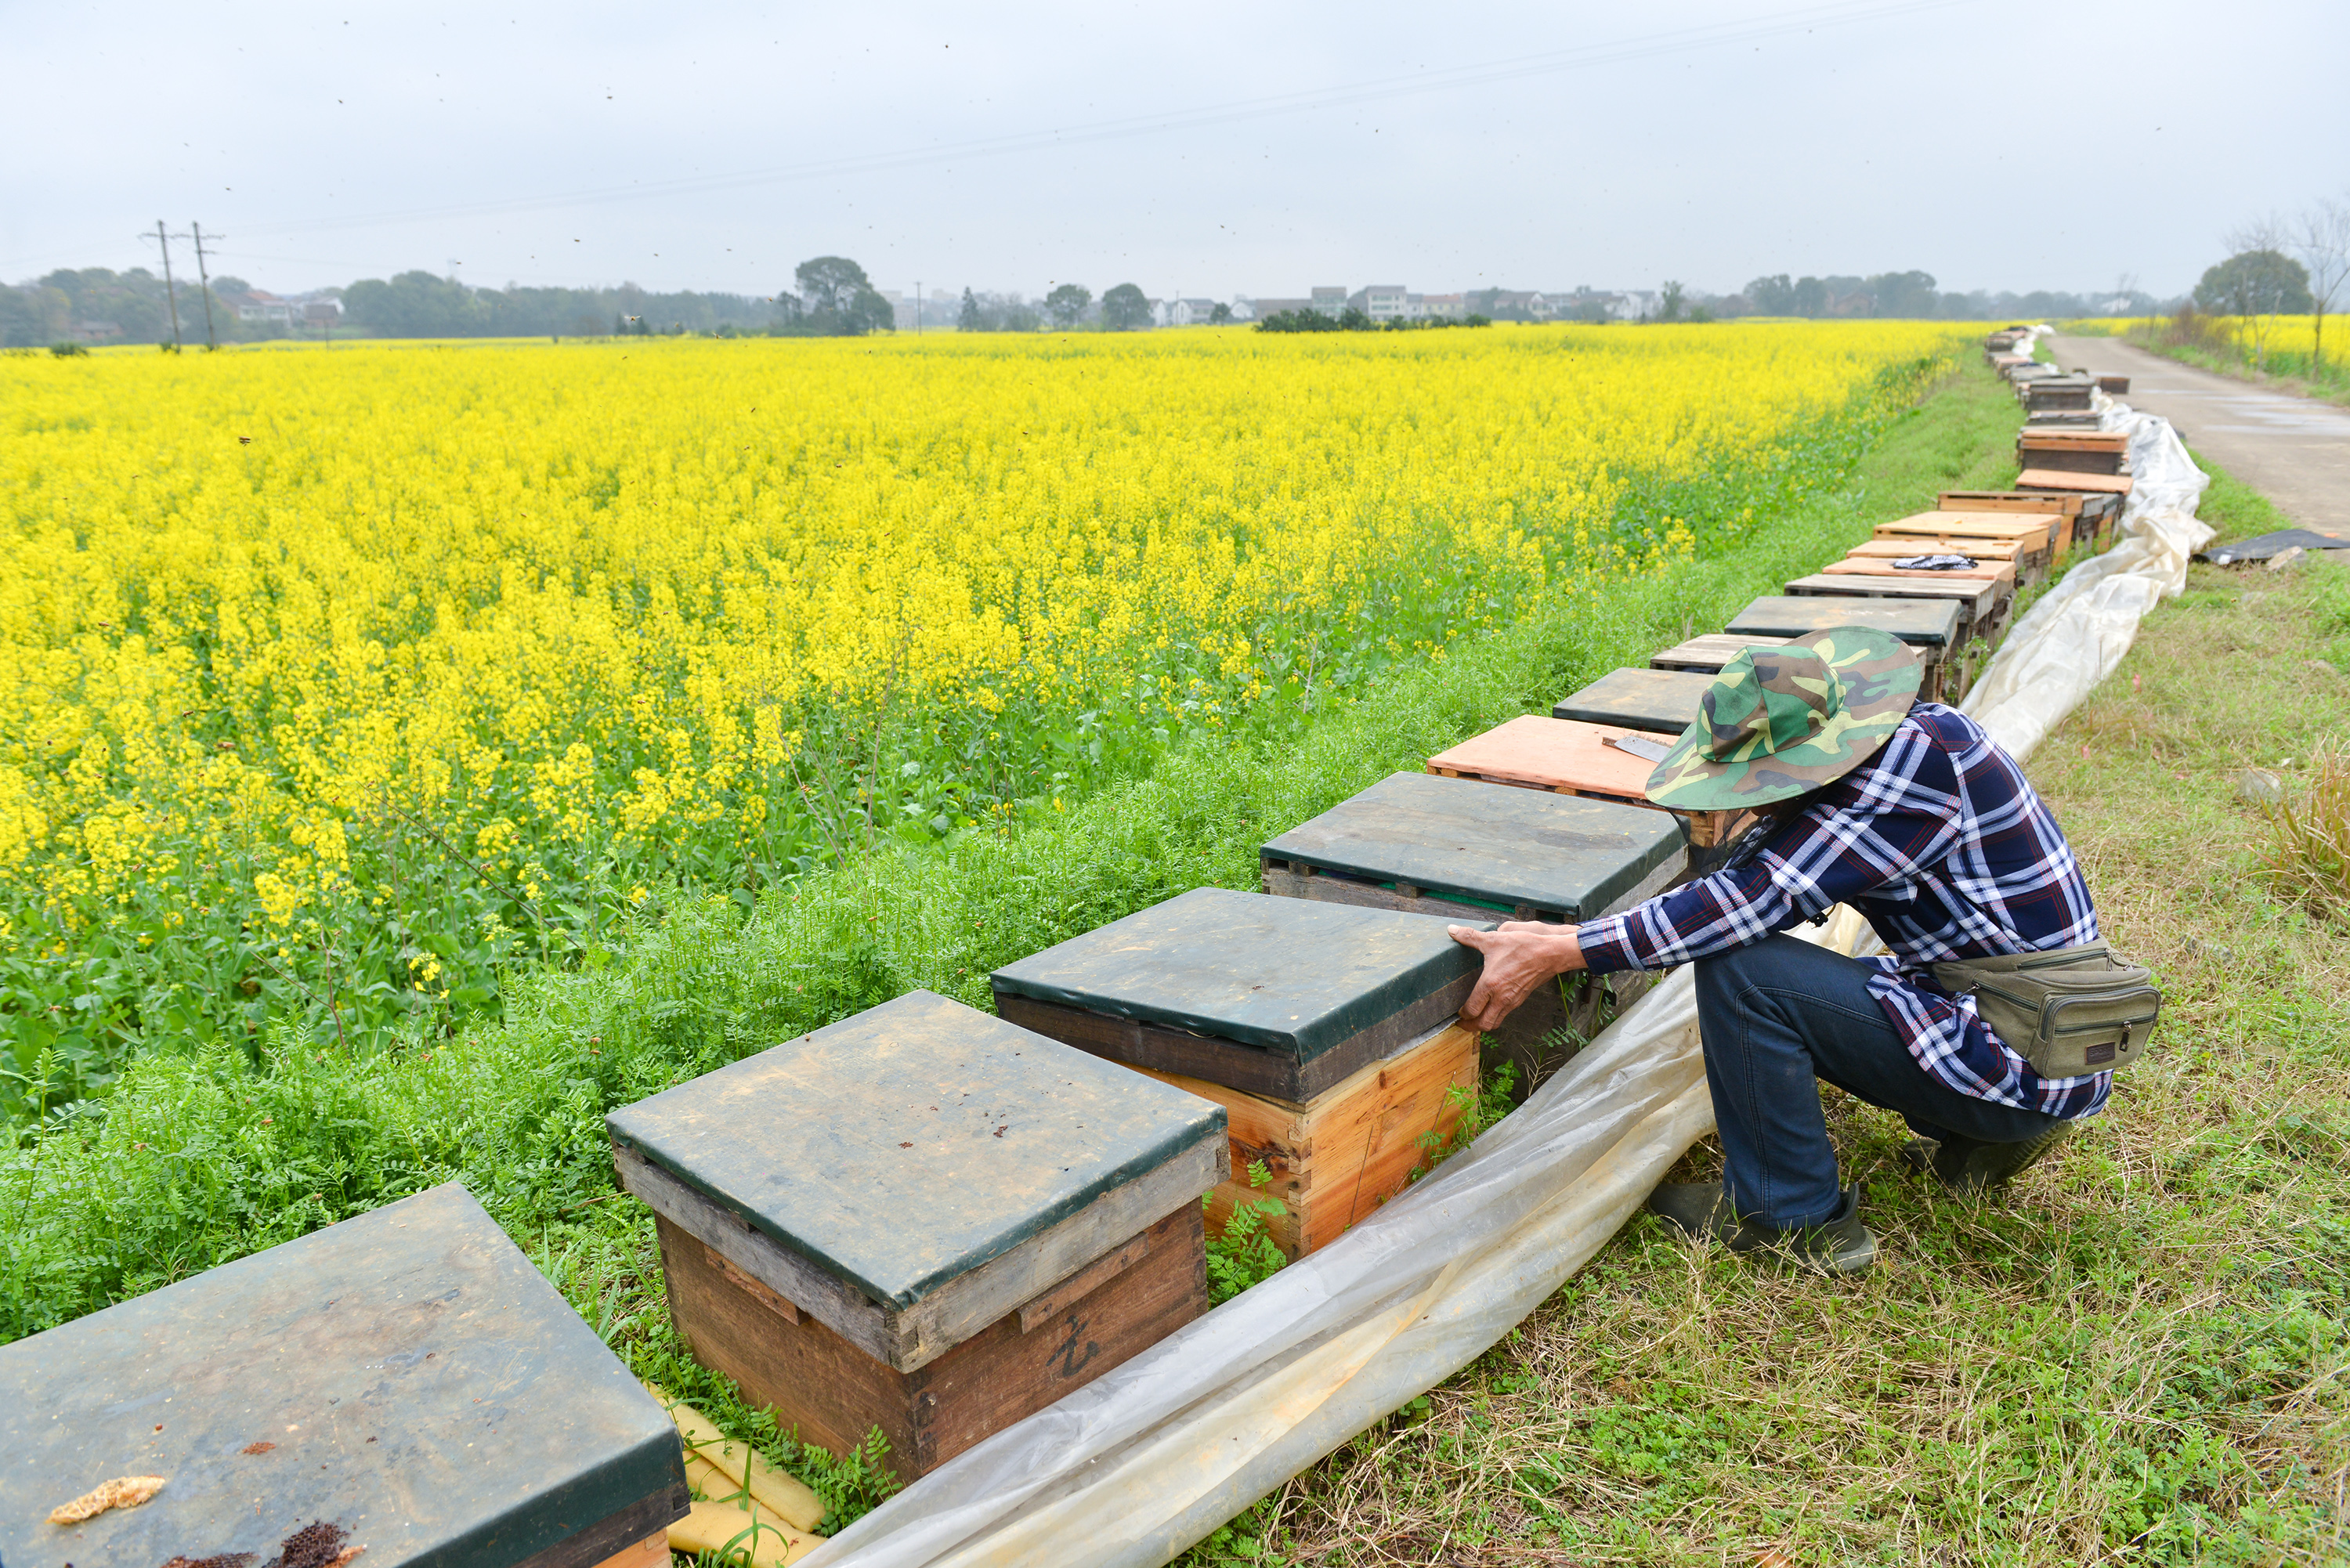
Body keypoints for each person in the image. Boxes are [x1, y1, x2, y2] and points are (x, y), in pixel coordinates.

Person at [1449, 627, 2104, 1275]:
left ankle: (1788, 1218)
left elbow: (1748, 903)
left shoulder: (1903, 780)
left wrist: (1565, 949)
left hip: (2022, 1048)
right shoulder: (1925, 736)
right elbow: (1760, 867)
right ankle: (1978, 1138)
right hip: (2036, 1025)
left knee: (1747, 973)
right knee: (1834, 973)